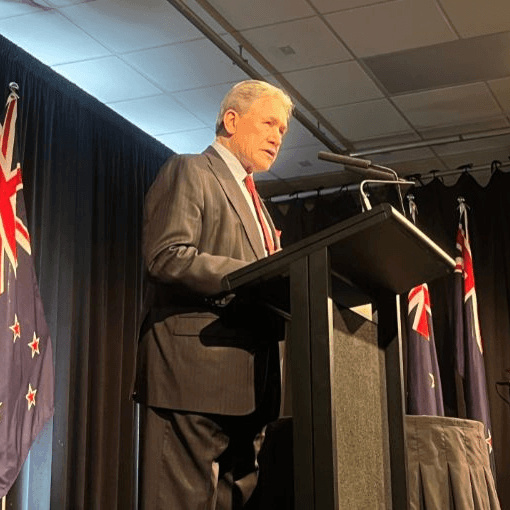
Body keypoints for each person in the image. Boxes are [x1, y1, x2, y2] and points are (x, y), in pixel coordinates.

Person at [133, 79, 293, 509]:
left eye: (282, 130)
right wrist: (252, 274)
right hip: (193, 378)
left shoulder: (259, 204)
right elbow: (166, 256)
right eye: (269, 123)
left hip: (251, 387)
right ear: (231, 120)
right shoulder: (190, 170)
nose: (278, 136)